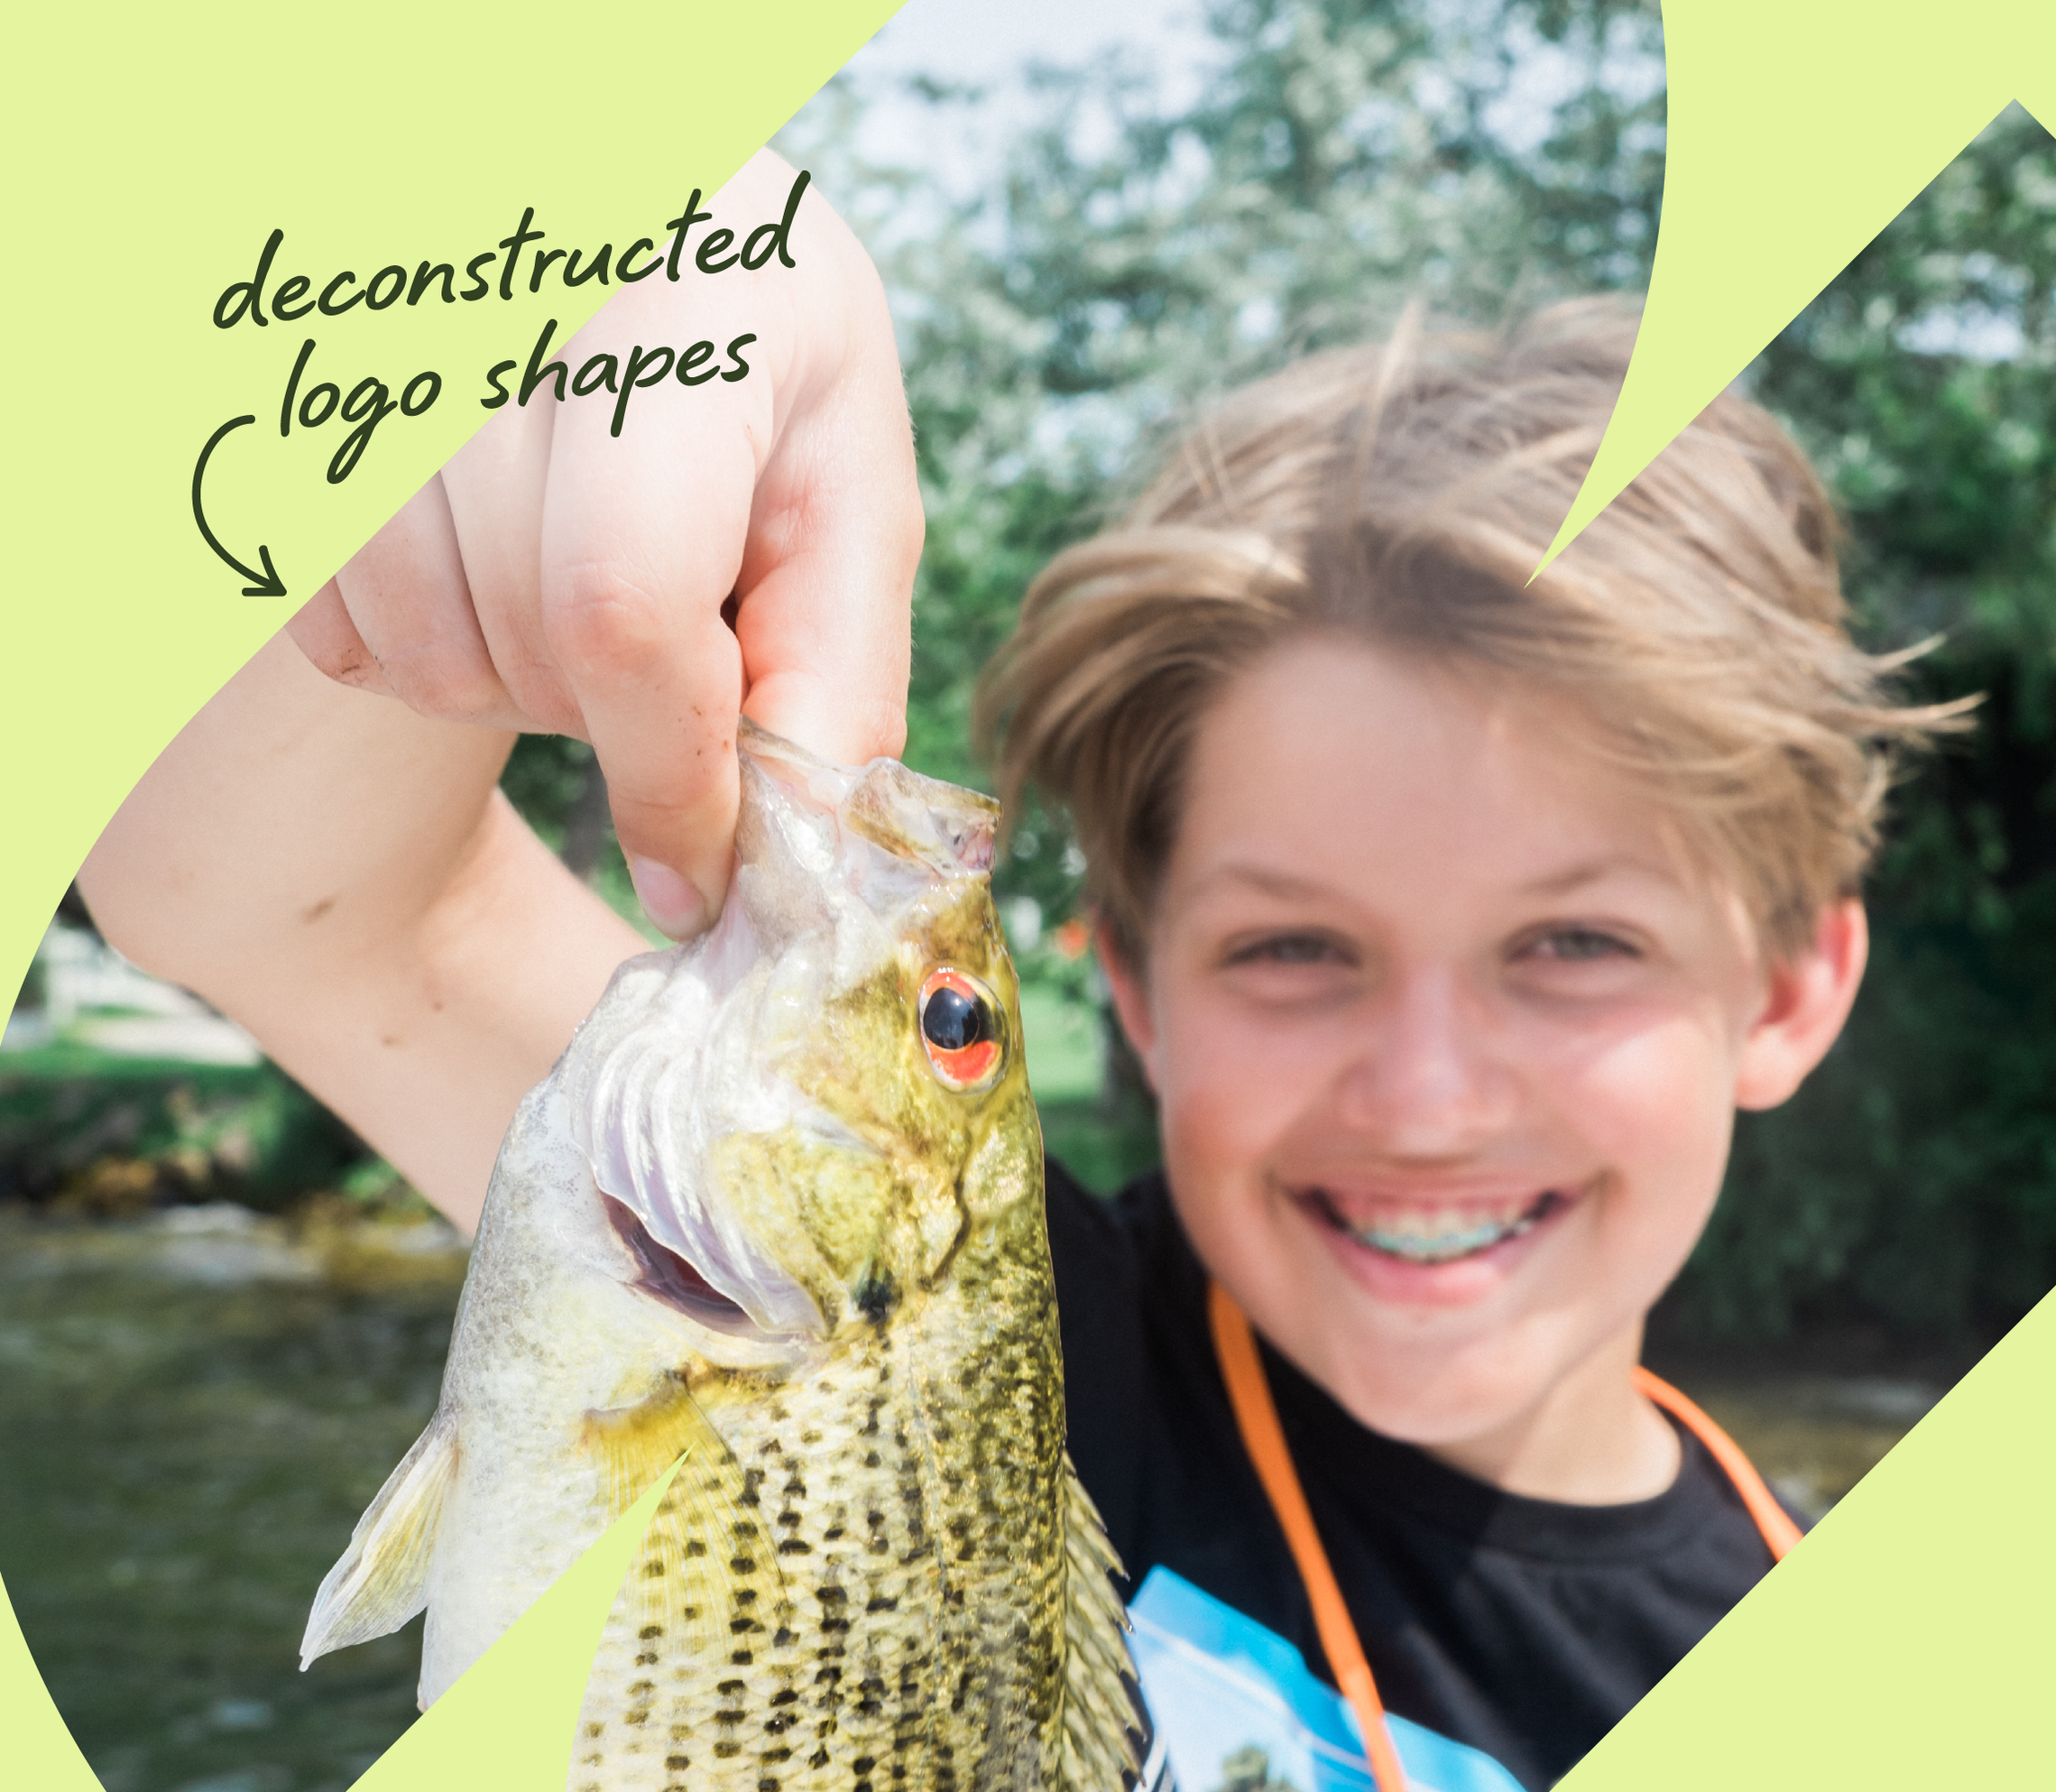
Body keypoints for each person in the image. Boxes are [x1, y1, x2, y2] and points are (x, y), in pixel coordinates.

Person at [80, 254, 1959, 1787]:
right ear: (1129, 990)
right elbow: (267, 890)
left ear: (1786, 991)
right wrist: (512, 301)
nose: (1426, 1090)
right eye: (1292, 950)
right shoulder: (974, 1333)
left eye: (1573, 948)